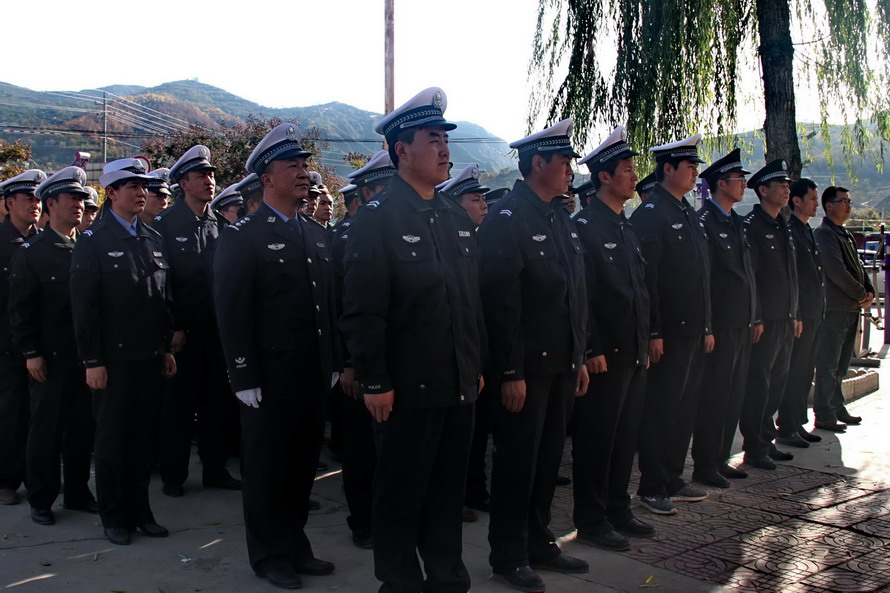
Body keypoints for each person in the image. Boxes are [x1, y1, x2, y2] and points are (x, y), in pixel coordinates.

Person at [340, 87, 483, 593]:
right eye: (432, 139)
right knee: (401, 493)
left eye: (445, 139)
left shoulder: (453, 216)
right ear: (402, 150)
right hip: (405, 387)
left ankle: (447, 577)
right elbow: (363, 309)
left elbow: (468, 302)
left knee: (446, 491)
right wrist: (375, 380)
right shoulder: (377, 219)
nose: (444, 149)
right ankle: (399, 582)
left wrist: (475, 365)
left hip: (456, 380)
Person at [213, 123, 339, 590]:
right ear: (267, 178)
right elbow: (232, 310)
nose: (303, 173)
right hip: (269, 376)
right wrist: (243, 374)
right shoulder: (242, 235)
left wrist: (332, 361)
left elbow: (327, 305)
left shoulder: (315, 233)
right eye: (293, 166)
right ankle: (268, 555)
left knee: (302, 466)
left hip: (311, 373)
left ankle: (295, 545)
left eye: (305, 165)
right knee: (268, 468)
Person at [479, 117, 590, 592]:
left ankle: (539, 540)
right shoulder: (507, 219)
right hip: (525, 369)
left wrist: (578, 357)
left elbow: (573, 296)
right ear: (538, 163)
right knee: (517, 464)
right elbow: (500, 304)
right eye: (563, 161)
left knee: (547, 461)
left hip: (561, 364)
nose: (570, 169)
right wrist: (510, 371)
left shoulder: (557, 217)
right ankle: (508, 554)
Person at [70, 157, 177, 545]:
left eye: (144, 186)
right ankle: (114, 516)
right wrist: (92, 361)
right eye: (132, 186)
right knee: (113, 441)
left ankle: (141, 512)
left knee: (143, 440)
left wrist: (165, 348)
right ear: (111, 193)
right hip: (113, 361)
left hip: (148, 356)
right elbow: (85, 308)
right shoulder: (93, 241)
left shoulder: (152, 238)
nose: (141, 192)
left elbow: (161, 299)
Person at [571, 126, 653, 551]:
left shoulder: (624, 225)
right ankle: (591, 518)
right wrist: (591, 348)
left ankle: (618, 508)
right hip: (606, 354)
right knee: (597, 440)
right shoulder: (584, 226)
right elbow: (582, 295)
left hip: (633, 350)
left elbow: (639, 290)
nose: (634, 176)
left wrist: (647, 338)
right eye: (627, 170)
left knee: (625, 437)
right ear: (604, 177)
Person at [630, 134, 712, 515]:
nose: (695, 172)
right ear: (668, 169)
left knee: (685, 407)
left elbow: (700, 276)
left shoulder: (686, 211)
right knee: (662, 408)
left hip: (692, 329)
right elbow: (648, 281)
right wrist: (654, 331)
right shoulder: (651, 214)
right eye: (689, 166)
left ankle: (673, 476)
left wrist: (706, 325)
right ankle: (652, 484)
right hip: (669, 332)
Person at [9, 167, 96, 525]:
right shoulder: (32, 252)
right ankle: (41, 498)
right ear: (51, 205)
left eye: (81, 199)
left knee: (81, 429)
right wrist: (31, 353)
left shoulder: (89, 245)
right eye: (71, 198)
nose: (79, 204)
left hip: (85, 356)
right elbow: (21, 309)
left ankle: (77, 491)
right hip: (50, 357)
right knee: (46, 430)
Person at [333, 151, 396, 550]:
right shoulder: (348, 236)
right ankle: (362, 521)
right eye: (386, 188)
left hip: (392, 362)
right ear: (366, 194)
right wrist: (348, 363)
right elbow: (343, 306)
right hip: (358, 362)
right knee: (360, 447)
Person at [690, 149, 758, 488]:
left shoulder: (736, 221)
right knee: (715, 396)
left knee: (733, 394)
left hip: (741, 321)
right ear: (720, 184)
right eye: (738, 180)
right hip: (720, 323)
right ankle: (705, 463)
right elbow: (706, 279)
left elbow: (747, 275)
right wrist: (708, 325)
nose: (743, 185)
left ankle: (720, 458)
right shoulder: (705, 222)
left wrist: (755, 315)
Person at [739, 159, 800, 470]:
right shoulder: (751, 226)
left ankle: (767, 438)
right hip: (764, 320)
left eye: (788, 186)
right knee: (759, 384)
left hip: (785, 317)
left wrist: (795, 312)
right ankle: (755, 445)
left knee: (776, 382)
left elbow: (790, 275)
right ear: (763, 190)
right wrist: (757, 317)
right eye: (781, 186)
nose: (787, 190)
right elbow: (751, 277)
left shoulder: (782, 225)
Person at [0, 169, 45, 505]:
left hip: (40, 343)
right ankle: (6, 480)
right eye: (28, 198)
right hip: (5, 345)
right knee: (10, 414)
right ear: (9, 203)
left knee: (39, 415)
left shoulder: (42, 242)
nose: (35, 204)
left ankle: (37, 477)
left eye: (38, 199)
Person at [813, 186, 873, 431]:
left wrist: (868, 289)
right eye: (843, 201)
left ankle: (837, 407)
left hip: (850, 308)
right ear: (829, 206)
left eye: (849, 201)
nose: (848, 206)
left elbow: (858, 266)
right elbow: (836, 270)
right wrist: (861, 294)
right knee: (828, 364)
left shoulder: (844, 234)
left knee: (841, 364)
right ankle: (824, 413)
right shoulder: (824, 234)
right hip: (834, 308)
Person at [776, 178, 825, 446]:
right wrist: (796, 312)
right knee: (794, 371)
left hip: (814, 311)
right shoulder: (791, 230)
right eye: (812, 199)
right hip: (801, 313)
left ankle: (797, 422)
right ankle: (786, 426)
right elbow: (793, 276)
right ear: (797, 201)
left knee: (805, 371)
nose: (816, 204)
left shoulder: (806, 229)